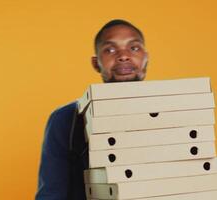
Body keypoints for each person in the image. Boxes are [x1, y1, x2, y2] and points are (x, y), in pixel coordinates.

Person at [35, 19, 149, 200]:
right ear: (96, 63)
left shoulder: (182, 110)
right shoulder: (66, 119)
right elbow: (51, 193)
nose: (123, 56)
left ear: (145, 58)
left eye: (133, 48)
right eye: (110, 50)